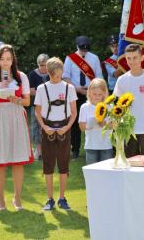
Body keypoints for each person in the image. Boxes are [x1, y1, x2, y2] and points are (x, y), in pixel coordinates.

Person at [0, 44, 33, 211]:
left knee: (18, 160)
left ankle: (17, 198)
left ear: (13, 60)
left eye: (9, 59)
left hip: (16, 115)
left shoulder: (21, 77)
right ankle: (0, 199)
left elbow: (27, 102)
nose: (6, 63)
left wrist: (16, 99)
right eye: (2, 59)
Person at [34, 57, 77, 211]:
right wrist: (45, 127)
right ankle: (50, 198)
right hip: (48, 128)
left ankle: (62, 198)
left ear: (62, 72)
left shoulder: (69, 88)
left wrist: (68, 127)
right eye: (52, 75)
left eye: (58, 75)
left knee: (64, 163)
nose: (55, 78)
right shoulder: (41, 88)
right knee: (48, 163)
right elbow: (37, 112)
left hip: (65, 127)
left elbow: (74, 112)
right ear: (48, 72)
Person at [113, 44, 144, 156]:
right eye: (129, 58)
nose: (131, 61)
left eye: (135, 57)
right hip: (128, 129)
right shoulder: (121, 80)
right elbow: (118, 105)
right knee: (131, 165)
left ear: (142, 58)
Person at [63, 35, 103, 159]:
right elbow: (65, 76)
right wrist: (76, 88)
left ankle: (95, 147)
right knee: (75, 122)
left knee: (95, 120)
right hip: (75, 92)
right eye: (82, 49)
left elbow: (99, 76)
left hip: (92, 93)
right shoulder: (70, 59)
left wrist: (93, 90)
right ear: (77, 46)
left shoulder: (94, 58)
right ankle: (75, 150)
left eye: (86, 49)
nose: (84, 51)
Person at [79, 78, 113, 164]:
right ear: (89, 92)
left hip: (106, 145)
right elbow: (82, 127)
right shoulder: (85, 107)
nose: (97, 97)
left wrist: (104, 124)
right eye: (94, 94)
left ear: (104, 94)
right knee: (91, 173)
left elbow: (114, 125)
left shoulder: (109, 107)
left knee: (106, 172)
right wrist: (90, 124)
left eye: (100, 94)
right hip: (91, 146)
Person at [28, 53, 49, 160]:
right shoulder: (32, 74)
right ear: (38, 65)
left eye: (45, 65)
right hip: (36, 105)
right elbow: (31, 91)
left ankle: (47, 150)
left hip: (50, 106)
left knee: (47, 126)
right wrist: (45, 93)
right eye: (41, 65)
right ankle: (38, 151)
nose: (44, 67)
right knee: (36, 127)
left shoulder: (52, 73)